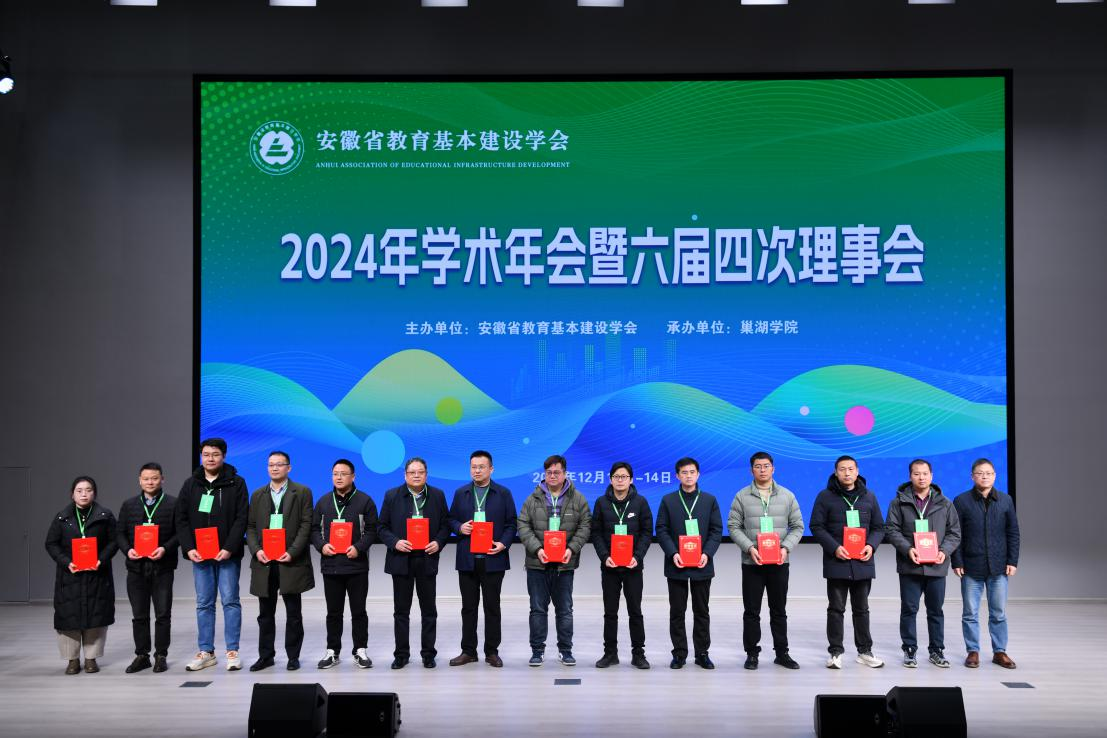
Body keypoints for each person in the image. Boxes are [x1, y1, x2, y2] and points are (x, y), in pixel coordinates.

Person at [175, 437, 249, 672]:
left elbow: (242, 518)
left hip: (227, 554)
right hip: (200, 555)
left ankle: (232, 651)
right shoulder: (191, 484)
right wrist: (189, 548)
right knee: (204, 603)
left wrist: (229, 547)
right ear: (201, 456)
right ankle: (206, 651)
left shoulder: (236, 483)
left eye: (215, 454)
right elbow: (181, 519)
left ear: (224, 456)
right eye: (206, 454)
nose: (210, 458)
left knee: (230, 601)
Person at [727, 451, 804, 670]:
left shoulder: (787, 496)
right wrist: (749, 548)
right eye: (758, 466)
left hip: (779, 563)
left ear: (773, 468)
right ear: (751, 470)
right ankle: (752, 654)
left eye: (766, 466)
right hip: (753, 563)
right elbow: (733, 526)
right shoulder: (742, 496)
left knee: (779, 610)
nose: (762, 470)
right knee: (752, 612)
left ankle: (782, 653)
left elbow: (798, 526)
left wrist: (785, 548)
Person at [810, 455, 886, 669]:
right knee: (836, 609)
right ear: (836, 472)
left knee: (862, 609)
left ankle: (865, 651)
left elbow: (879, 527)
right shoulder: (825, 496)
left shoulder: (869, 496)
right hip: (837, 561)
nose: (847, 473)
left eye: (851, 469)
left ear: (857, 471)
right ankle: (835, 652)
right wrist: (834, 548)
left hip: (862, 561)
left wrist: (871, 545)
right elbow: (816, 526)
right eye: (842, 469)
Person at [884, 459, 961, 668]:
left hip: (936, 566)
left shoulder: (945, 503)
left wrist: (944, 551)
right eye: (917, 474)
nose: (921, 477)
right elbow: (891, 529)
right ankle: (909, 650)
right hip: (910, 565)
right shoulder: (898, 502)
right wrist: (908, 549)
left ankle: (936, 650)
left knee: (936, 611)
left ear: (931, 476)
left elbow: (954, 532)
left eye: (925, 473)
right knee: (909, 609)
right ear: (910, 476)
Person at [517, 454, 592, 667]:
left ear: (565, 474)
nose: (552, 476)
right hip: (537, 563)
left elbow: (585, 526)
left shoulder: (578, 499)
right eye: (549, 472)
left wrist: (571, 549)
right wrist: (537, 549)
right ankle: (537, 651)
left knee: (565, 610)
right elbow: (523, 525)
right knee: (537, 609)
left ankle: (565, 650)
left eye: (556, 472)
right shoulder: (533, 499)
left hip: (564, 565)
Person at [377, 457, 450, 669]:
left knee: (429, 611)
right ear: (405, 475)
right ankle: (401, 654)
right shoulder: (392, 495)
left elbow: (445, 525)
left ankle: (428, 654)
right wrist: (395, 542)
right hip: (401, 560)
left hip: (427, 559)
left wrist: (438, 542)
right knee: (401, 611)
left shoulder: (437, 495)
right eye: (412, 472)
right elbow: (381, 527)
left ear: (426, 474)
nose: (416, 475)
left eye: (420, 472)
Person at [245, 451, 315, 672]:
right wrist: (256, 550)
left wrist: (292, 552)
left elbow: (306, 525)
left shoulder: (302, 492)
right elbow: (251, 527)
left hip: (290, 561)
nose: (274, 468)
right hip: (265, 561)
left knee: (293, 613)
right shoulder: (258, 494)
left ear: (289, 468)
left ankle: (293, 657)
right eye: (271, 465)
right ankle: (266, 656)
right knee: (265, 614)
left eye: (279, 464)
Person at [447, 450, 517, 668]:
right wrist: (460, 527)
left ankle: (492, 652)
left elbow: (511, 524)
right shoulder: (461, 493)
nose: (477, 471)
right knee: (468, 608)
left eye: (481, 467)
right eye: (473, 467)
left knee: (492, 607)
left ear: (491, 469)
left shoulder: (503, 493)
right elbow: (450, 519)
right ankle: (468, 651)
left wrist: (503, 543)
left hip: (493, 558)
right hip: (467, 559)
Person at [44, 476, 118, 675]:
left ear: (94, 493)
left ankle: (92, 658)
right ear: (72, 494)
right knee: (69, 616)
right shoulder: (62, 517)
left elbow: (114, 541)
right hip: (70, 576)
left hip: (97, 575)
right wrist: (66, 562)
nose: (84, 494)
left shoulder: (105, 516)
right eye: (79, 490)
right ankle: (72, 660)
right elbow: (51, 543)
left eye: (88, 490)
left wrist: (100, 560)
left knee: (96, 615)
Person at [655, 457, 723, 670]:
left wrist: (707, 553)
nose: (688, 476)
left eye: (692, 472)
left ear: (698, 474)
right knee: (677, 611)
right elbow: (662, 529)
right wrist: (673, 553)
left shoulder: (709, 500)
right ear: (677, 476)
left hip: (702, 564)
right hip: (676, 564)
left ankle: (702, 653)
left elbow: (716, 530)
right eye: (684, 472)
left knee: (701, 611)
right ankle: (679, 654)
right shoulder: (668, 500)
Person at [952, 458, 1020, 669]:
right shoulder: (961, 501)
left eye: (989, 473)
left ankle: (1000, 652)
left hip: (999, 566)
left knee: (998, 613)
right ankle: (973, 651)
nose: (984, 476)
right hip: (971, 566)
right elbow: (955, 534)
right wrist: (957, 561)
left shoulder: (1006, 500)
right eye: (980, 473)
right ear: (972, 476)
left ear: (995, 476)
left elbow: (1013, 533)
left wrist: (1012, 561)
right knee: (970, 613)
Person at [311, 458, 378, 670]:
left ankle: (360, 650)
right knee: (333, 612)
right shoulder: (323, 502)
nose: (338, 477)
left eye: (343, 474)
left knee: (359, 611)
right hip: (331, 565)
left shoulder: (365, 501)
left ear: (353, 476)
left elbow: (372, 530)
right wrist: (322, 546)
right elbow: (314, 530)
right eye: (335, 474)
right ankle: (333, 651)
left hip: (356, 566)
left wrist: (359, 547)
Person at [590, 461, 653, 669]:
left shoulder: (640, 502)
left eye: (624, 477)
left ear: (631, 480)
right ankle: (610, 654)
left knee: (635, 611)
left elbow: (646, 532)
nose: (620, 480)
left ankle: (638, 654)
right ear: (610, 479)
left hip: (633, 567)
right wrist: (604, 556)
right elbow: (596, 533)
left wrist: (638, 556)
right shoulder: (601, 502)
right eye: (616, 476)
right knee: (610, 612)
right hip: (610, 566)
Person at [116, 462, 178, 673]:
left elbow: (180, 533)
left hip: (163, 567)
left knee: (163, 614)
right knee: (139, 615)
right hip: (136, 568)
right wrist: (128, 550)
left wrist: (164, 548)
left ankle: (161, 655)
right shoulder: (129, 505)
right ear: (139, 481)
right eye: (146, 478)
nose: (150, 482)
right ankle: (142, 655)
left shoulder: (173, 504)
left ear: (162, 479)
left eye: (154, 478)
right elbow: (119, 533)